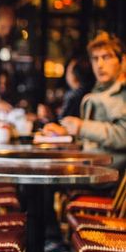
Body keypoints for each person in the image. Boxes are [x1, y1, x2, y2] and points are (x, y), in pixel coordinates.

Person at [44, 32, 126, 170]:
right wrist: (66, 132)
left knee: (47, 170)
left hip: (107, 173)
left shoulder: (122, 92)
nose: (100, 64)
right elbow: (94, 141)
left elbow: (123, 136)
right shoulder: (100, 90)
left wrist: (82, 127)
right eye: (95, 58)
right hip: (92, 167)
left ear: (122, 61)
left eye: (106, 57)